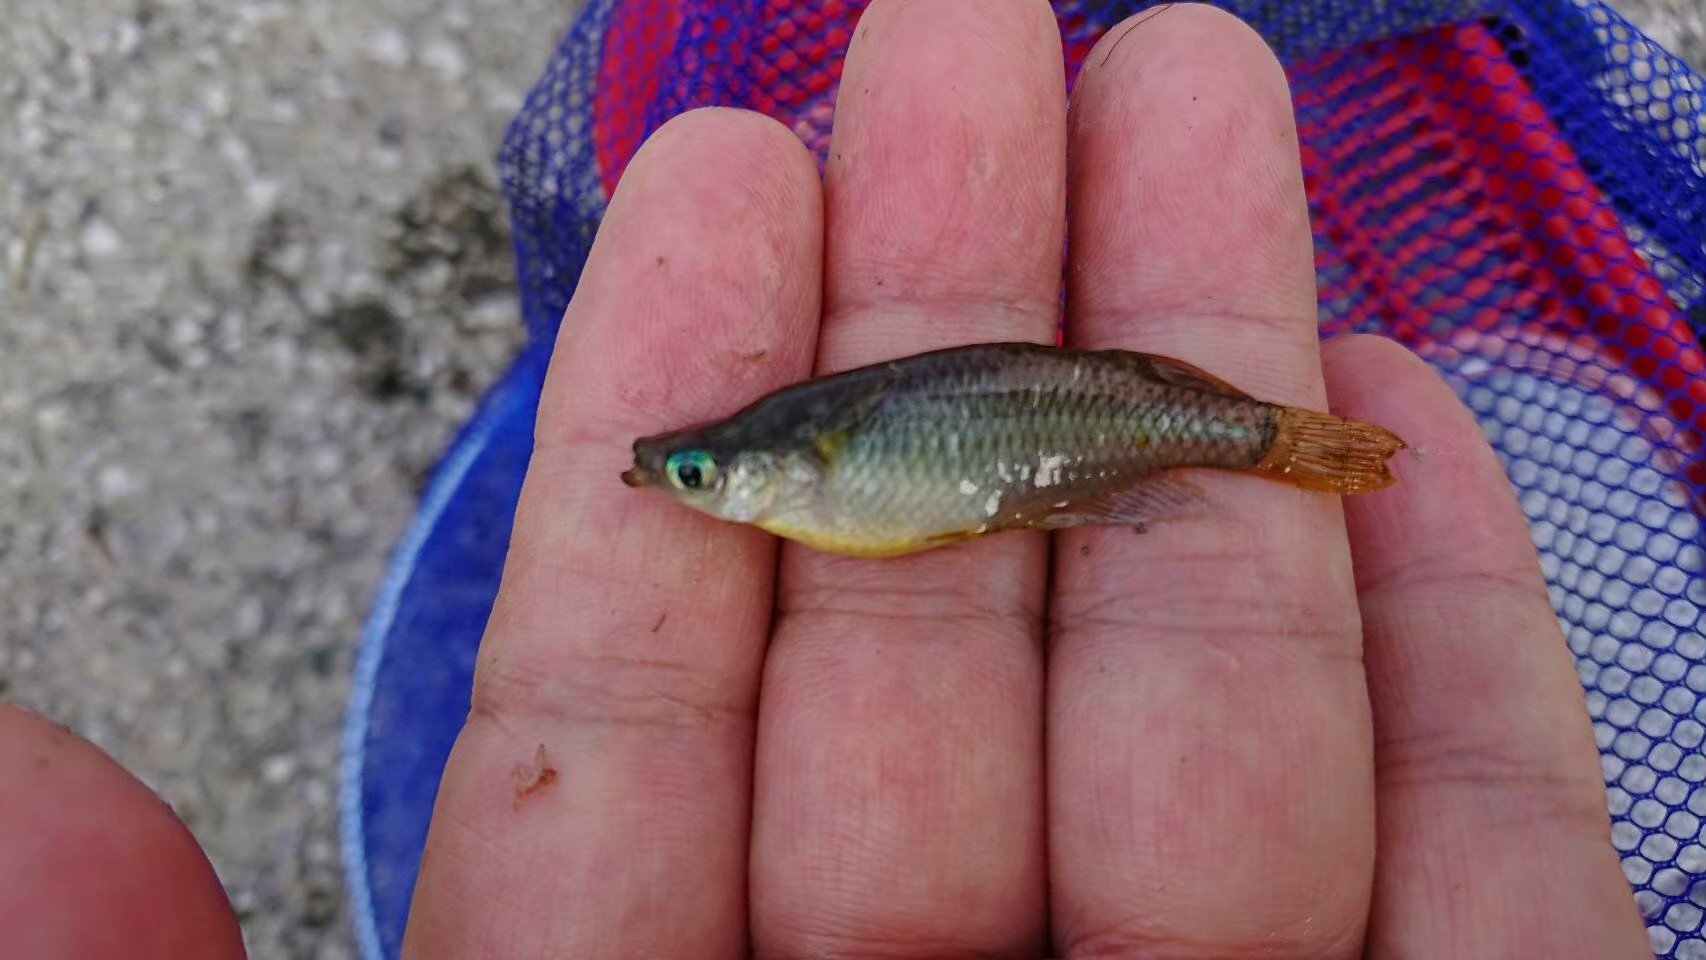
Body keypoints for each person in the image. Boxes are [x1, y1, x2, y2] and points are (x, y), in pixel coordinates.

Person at [0, 3, 1651, 957]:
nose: (699, 484)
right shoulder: (803, 470)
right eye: (704, 471)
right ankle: (1265, 441)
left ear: (781, 465)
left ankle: (1272, 443)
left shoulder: (818, 462)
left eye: (709, 467)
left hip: (1060, 438)